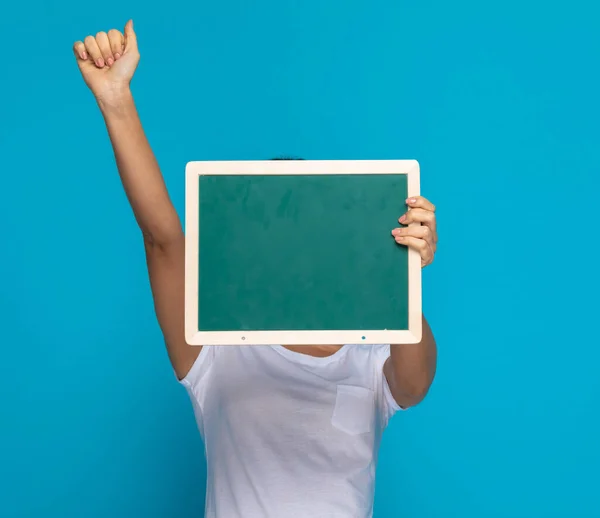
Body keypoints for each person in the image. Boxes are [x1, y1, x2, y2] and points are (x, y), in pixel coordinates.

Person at [73, 21, 438, 518]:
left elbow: (415, 385)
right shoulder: (214, 352)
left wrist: (406, 270)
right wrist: (116, 100)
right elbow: (163, 239)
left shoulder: (371, 350)